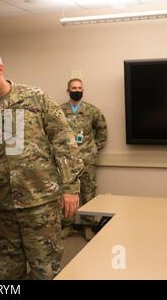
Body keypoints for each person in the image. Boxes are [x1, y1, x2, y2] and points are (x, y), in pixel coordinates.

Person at [0, 48, 84, 280]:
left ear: (0, 70)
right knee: (8, 274)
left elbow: (64, 140)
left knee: (46, 271)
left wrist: (71, 187)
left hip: (39, 203)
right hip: (0, 208)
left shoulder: (34, 97)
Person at [60, 78, 108, 241]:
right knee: (67, 193)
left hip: (87, 159)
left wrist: (94, 149)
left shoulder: (92, 111)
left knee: (88, 192)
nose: (77, 90)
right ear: (68, 91)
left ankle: (88, 225)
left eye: (80, 87)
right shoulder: (59, 111)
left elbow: (102, 132)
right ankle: (67, 225)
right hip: (67, 161)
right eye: (74, 88)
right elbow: (54, 133)